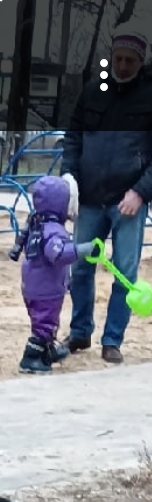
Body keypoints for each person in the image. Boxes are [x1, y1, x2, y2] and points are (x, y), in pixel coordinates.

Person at [60, 27, 152, 364]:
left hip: (129, 202)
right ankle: (80, 332)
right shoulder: (92, 93)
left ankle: (112, 339)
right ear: (111, 57)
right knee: (80, 269)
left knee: (124, 274)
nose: (123, 65)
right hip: (89, 198)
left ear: (141, 62)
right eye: (119, 58)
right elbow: (72, 138)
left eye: (130, 60)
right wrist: (69, 178)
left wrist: (141, 193)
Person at [10, 174, 97, 373]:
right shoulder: (53, 230)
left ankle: (47, 350)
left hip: (35, 284)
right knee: (44, 323)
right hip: (45, 288)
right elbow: (56, 254)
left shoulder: (36, 222)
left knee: (46, 320)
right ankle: (30, 358)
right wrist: (84, 249)